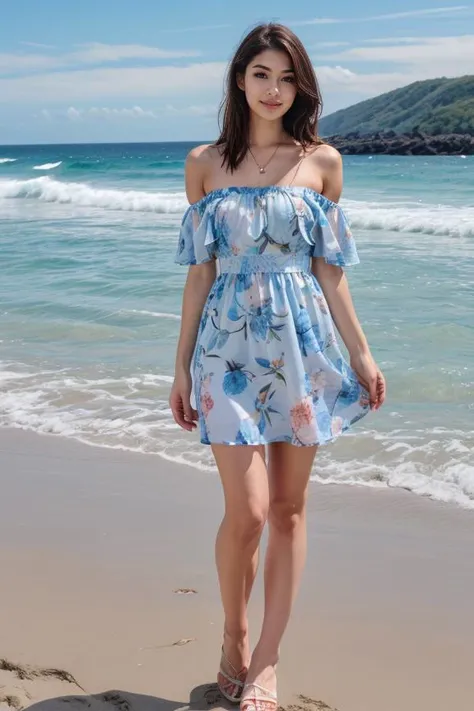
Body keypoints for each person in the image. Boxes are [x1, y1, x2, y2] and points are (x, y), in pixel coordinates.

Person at [169, 22, 386, 711]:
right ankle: (233, 635)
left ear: (302, 87)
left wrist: (361, 350)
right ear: (240, 79)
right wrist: (179, 368)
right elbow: (199, 276)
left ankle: (264, 663)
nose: (274, 89)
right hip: (225, 354)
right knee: (251, 510)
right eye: (261, 74)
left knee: (289, 511)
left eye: (287, 77)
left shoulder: (322, 161)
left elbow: (331, 272)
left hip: (303, 348)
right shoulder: (204, 162)